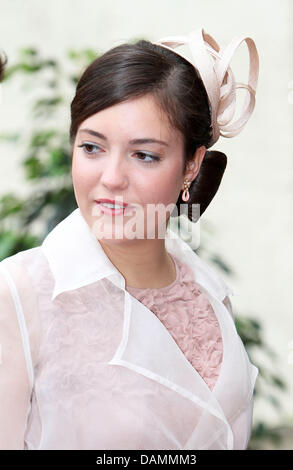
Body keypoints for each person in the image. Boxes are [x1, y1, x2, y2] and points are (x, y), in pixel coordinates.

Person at [0, 28, 259, 450]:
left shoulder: (211, 295)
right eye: (91, 148)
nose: (111, 178)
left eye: (144, 155)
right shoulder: (17, 294)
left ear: (191, 166)